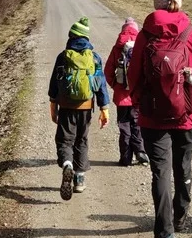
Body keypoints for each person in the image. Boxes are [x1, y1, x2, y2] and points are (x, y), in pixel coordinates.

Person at [128, 0, 192, 238]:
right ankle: (180, 214)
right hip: (188, 115)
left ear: (156, 4)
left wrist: (137, 101)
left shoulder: (145, 34)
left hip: (152, 116)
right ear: (178, 3)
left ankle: (164, 230)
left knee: (160, 172)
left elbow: (133, 75)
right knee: (183, 166)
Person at [48, 16, 111, 201]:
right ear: (86, 38)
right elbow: (101, 84)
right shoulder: (94, 57)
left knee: (65, 140)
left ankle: (67, 164)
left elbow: (54, 84)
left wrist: (53, 105)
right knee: (81, 140)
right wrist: (104, 108)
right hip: (86, 107)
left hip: (66, 106)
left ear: (71, 36)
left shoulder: (63, 57)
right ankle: (79, 180)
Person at [106, 17, 149, 166]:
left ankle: (125, 158)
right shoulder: (142, 46)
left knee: (124, 127)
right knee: (137, 125)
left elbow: (108, 71)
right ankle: (140, 152)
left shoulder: (117, 48)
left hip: (121, 97)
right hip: (138, 96)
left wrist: (115, 85)